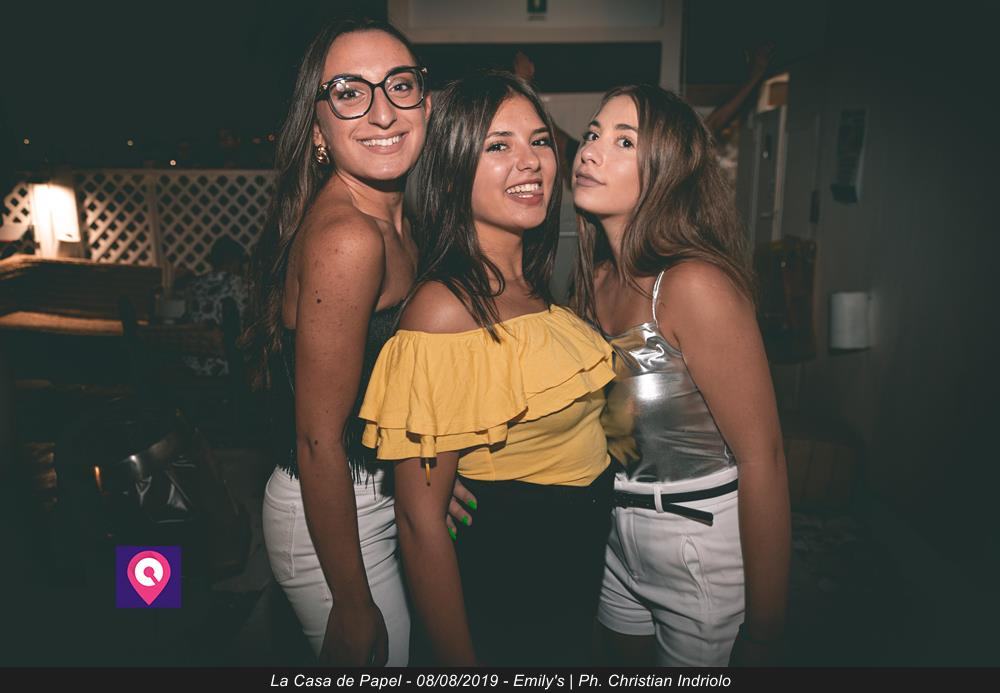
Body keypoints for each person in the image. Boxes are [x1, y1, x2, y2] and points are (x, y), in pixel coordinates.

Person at [359, 71, 616, 666]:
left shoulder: (533, 288)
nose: (530, 162)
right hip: (505, 594)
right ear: (453, 170)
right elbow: (420, 526)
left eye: (540, 141)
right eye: (498, 145)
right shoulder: (444, 311)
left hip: (568, 590)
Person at [569, 84, 790, 667]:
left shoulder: (693, 285)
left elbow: (764, 458)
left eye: (624, 142)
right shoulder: (591, 283)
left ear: (665, 172)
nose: (590, 151)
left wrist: (765, 632)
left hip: (698, 540)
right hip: (614, 529)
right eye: (592, 134)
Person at [243, 17, 430, 666]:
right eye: (349, 92)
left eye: (400, 85)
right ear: (318, 129)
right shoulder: (349, 238)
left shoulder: (403, 217)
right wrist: (351, 602)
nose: (382, 111)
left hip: (380, 492)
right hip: (332, 515)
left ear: (425, 103)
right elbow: (318, 439)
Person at [180, 236, 248, 376]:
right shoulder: (239, 285)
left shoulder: (192, 286)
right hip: (228, 368)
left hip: (192, 367)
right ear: (234, 262)